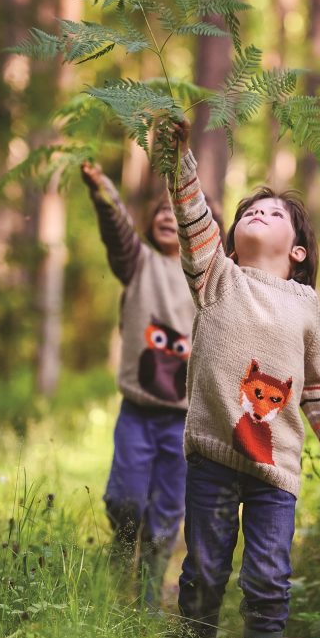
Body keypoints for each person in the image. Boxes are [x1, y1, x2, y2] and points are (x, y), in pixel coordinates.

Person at [154, 120, 320, 638]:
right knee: (203, 573)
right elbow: (191, 214)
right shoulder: (215, 276)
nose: (258, 213)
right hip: (212, 453)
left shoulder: (305, 306)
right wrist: (177, 156)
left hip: (275, 471)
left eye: (274, 213)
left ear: (298, 250)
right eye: (250, 211)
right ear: (229, 237)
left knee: (269, 581)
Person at [81, 160, 195, 610]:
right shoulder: (138, 263)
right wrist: (103, 190)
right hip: (138, 412)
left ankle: (148, 595)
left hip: (183, 420)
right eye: (161, 209)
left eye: (178, 208)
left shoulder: (206, 279)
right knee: (126, 501)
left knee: (167, 513)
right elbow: (117, 231)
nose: (169, 215)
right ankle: (118, 561)